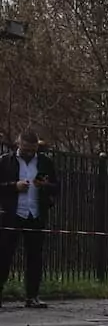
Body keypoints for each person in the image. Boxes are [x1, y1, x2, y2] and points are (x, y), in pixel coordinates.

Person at [0, 130, 57, 309]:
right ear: (18, 144)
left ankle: (32, 296)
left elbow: (57, 186)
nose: (29, 153)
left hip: (35, 215)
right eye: (25, 149)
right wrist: (13, 186)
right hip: (12, 215)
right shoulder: (5, 162)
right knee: (4, 255)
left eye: (32, 150)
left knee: (35, 257)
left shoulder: (45, 162)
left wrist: (45, 185)